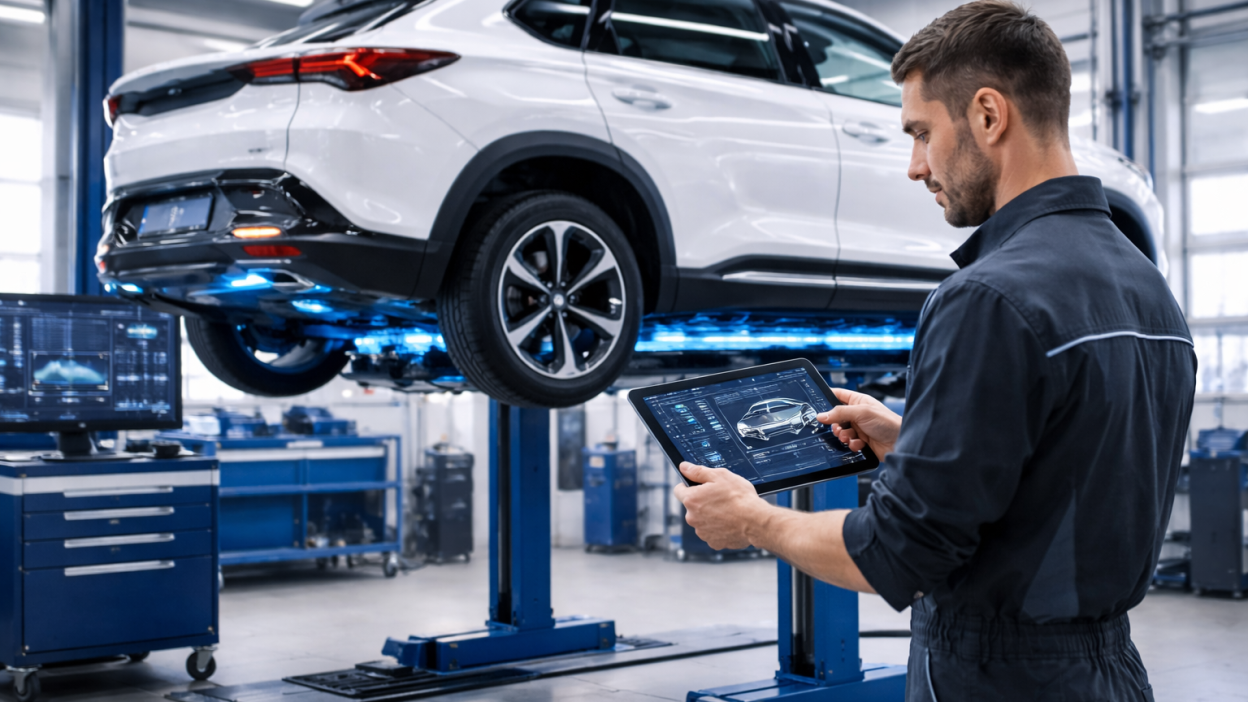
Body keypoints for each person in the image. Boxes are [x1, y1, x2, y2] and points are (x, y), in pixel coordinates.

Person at [673, 1, 1196, 700]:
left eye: (921, 133)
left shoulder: (988, 298)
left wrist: (753, 519)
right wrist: (913, 438)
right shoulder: (1151, 291)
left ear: (987, 115)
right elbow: (1063, 475)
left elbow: (895, 553)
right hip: (1110, 673)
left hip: (996, 679)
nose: (916, 167)